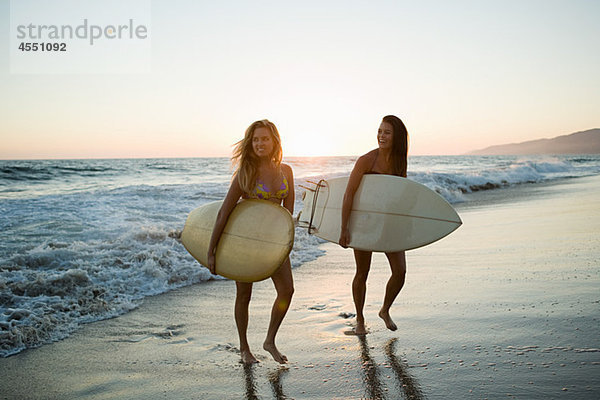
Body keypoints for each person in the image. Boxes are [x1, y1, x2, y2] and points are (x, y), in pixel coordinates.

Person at [207, 119, 295, 364]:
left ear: (274, 141)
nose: (259, 143)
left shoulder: (286, 171)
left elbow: (288, 214)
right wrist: (211, 251)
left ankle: (269, 340)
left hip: (274, 243)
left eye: (264, 138)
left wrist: (287, 244)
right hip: (246, 243)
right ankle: (244, 348)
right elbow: (224, 212)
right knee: (244, 295)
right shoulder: (245, 173)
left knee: (287, 290)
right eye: (255, 139)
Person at [339, 115, 409, 335]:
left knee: (400, 272)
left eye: (386, 132)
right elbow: (349, 193)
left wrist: (406, 224)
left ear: (396, 136)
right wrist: (344, 227)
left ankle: (384, 310)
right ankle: (359, 321)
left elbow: (400, 195)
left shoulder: (400, 160)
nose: (381, 136)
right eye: (379, 131)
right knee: (362, 272)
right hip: (365, 222)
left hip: (388, 222)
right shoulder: (366, 160)